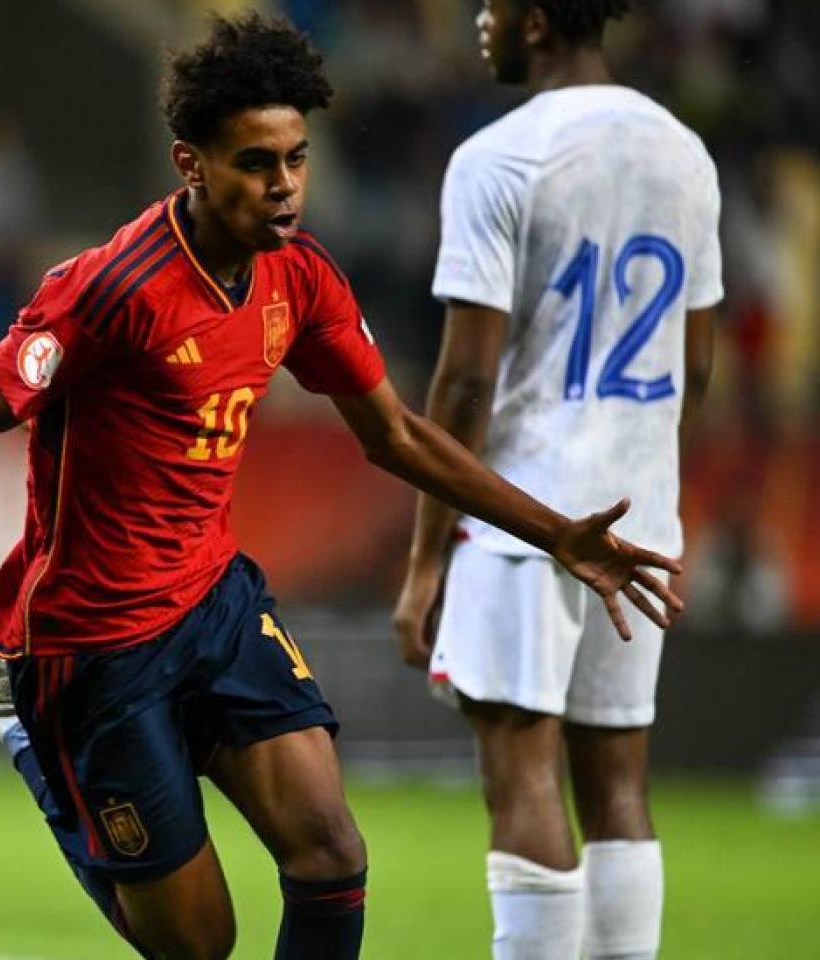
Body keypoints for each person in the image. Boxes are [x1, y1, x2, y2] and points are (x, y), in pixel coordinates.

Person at [0, 11, 683, 960]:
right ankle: (24, 726)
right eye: (257, 162)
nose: (285, 184)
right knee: (201, 945)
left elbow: (398, 435)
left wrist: (557, 535)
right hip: (93, 645)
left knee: (332, 857)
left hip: (213, 604)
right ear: (191, 164)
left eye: (296, 158)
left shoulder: (299, 275)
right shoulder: (111, 288)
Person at [390, 2, 719, 958]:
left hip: (524, 517)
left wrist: (425, 560)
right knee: (618, 782)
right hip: (639, 523)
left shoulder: (499, 156)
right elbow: (694, 371)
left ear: (535, 21)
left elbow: (463, 378)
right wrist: (641, 479)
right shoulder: (686, 155)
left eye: (490, 8)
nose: (479, 24)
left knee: (523, 774)